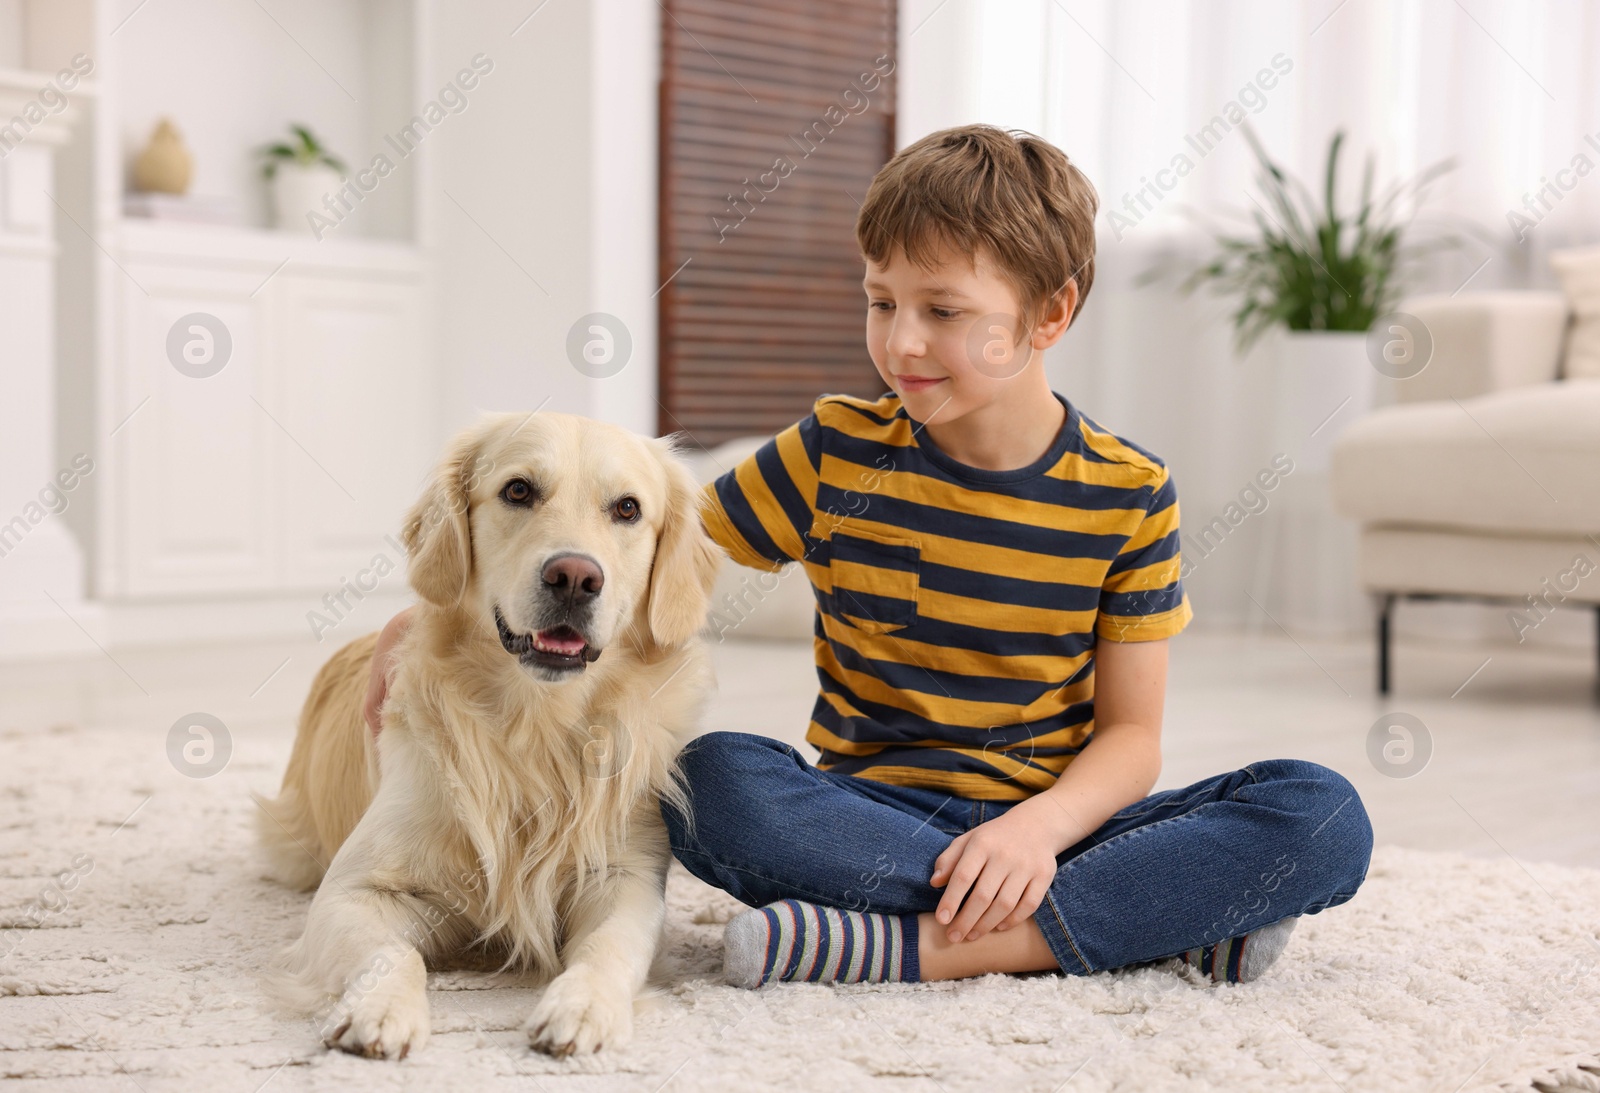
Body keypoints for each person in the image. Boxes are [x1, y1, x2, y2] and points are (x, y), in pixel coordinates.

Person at [363, 124, 1374, 990]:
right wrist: (433, 613)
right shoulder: (835, 448)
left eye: (943, 310)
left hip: (1054, 828)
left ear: (1049, 314)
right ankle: (1146, 926)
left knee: (1320, 811)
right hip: (863, 814)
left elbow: (1133, 737)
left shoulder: (1130, 492)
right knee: (714, 782)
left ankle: (919, 950)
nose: (900, 342)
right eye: (880, 301)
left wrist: (1032, 834)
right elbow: (635, 549)